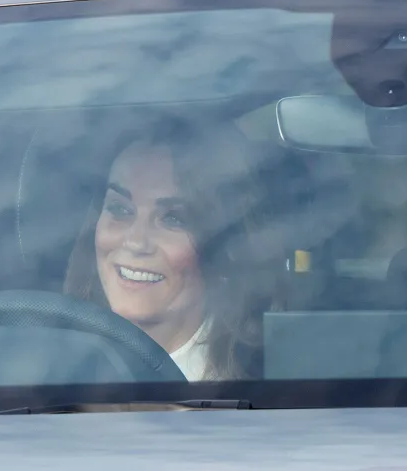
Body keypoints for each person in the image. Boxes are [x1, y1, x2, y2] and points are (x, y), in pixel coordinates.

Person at [62, 117, 282, 381]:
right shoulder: (47, 365)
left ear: (225, 251)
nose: (135, 241)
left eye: (173, 219)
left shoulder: (269, 389)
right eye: (120, 209)